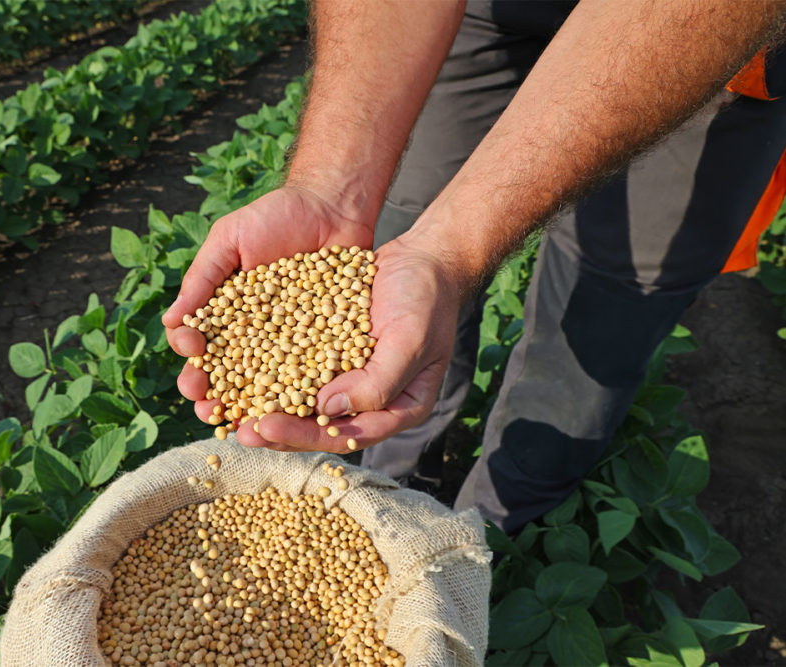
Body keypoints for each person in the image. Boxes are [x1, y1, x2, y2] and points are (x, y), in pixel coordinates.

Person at [163, 0, 786, 534]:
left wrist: (452, 248)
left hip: (711, 41)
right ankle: (385, 498)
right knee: (405, 251)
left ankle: (496, 536)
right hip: (489, 11)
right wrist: (332, 187)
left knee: (608, 309)